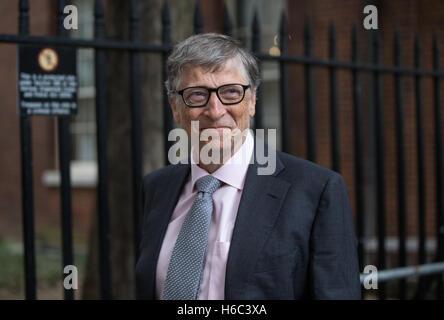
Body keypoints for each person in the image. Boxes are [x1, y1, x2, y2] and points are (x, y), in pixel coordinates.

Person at [135, 33, 361, 300]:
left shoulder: (316, 191)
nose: (216, 110)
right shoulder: (157, 188)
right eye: (197, 95)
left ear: (252, 101)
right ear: (175, 107)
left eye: (231, 92)